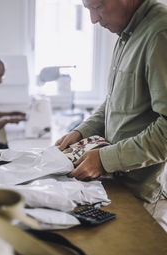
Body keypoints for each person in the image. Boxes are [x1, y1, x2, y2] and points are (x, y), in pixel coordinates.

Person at [55, 0, 167, 231]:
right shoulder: (128, 33)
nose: (93, 20)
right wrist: (82, 131)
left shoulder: (160, 33)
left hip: (140, 194)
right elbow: (114, 100)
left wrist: (105, 160)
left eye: (97, 7)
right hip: (114, 184)